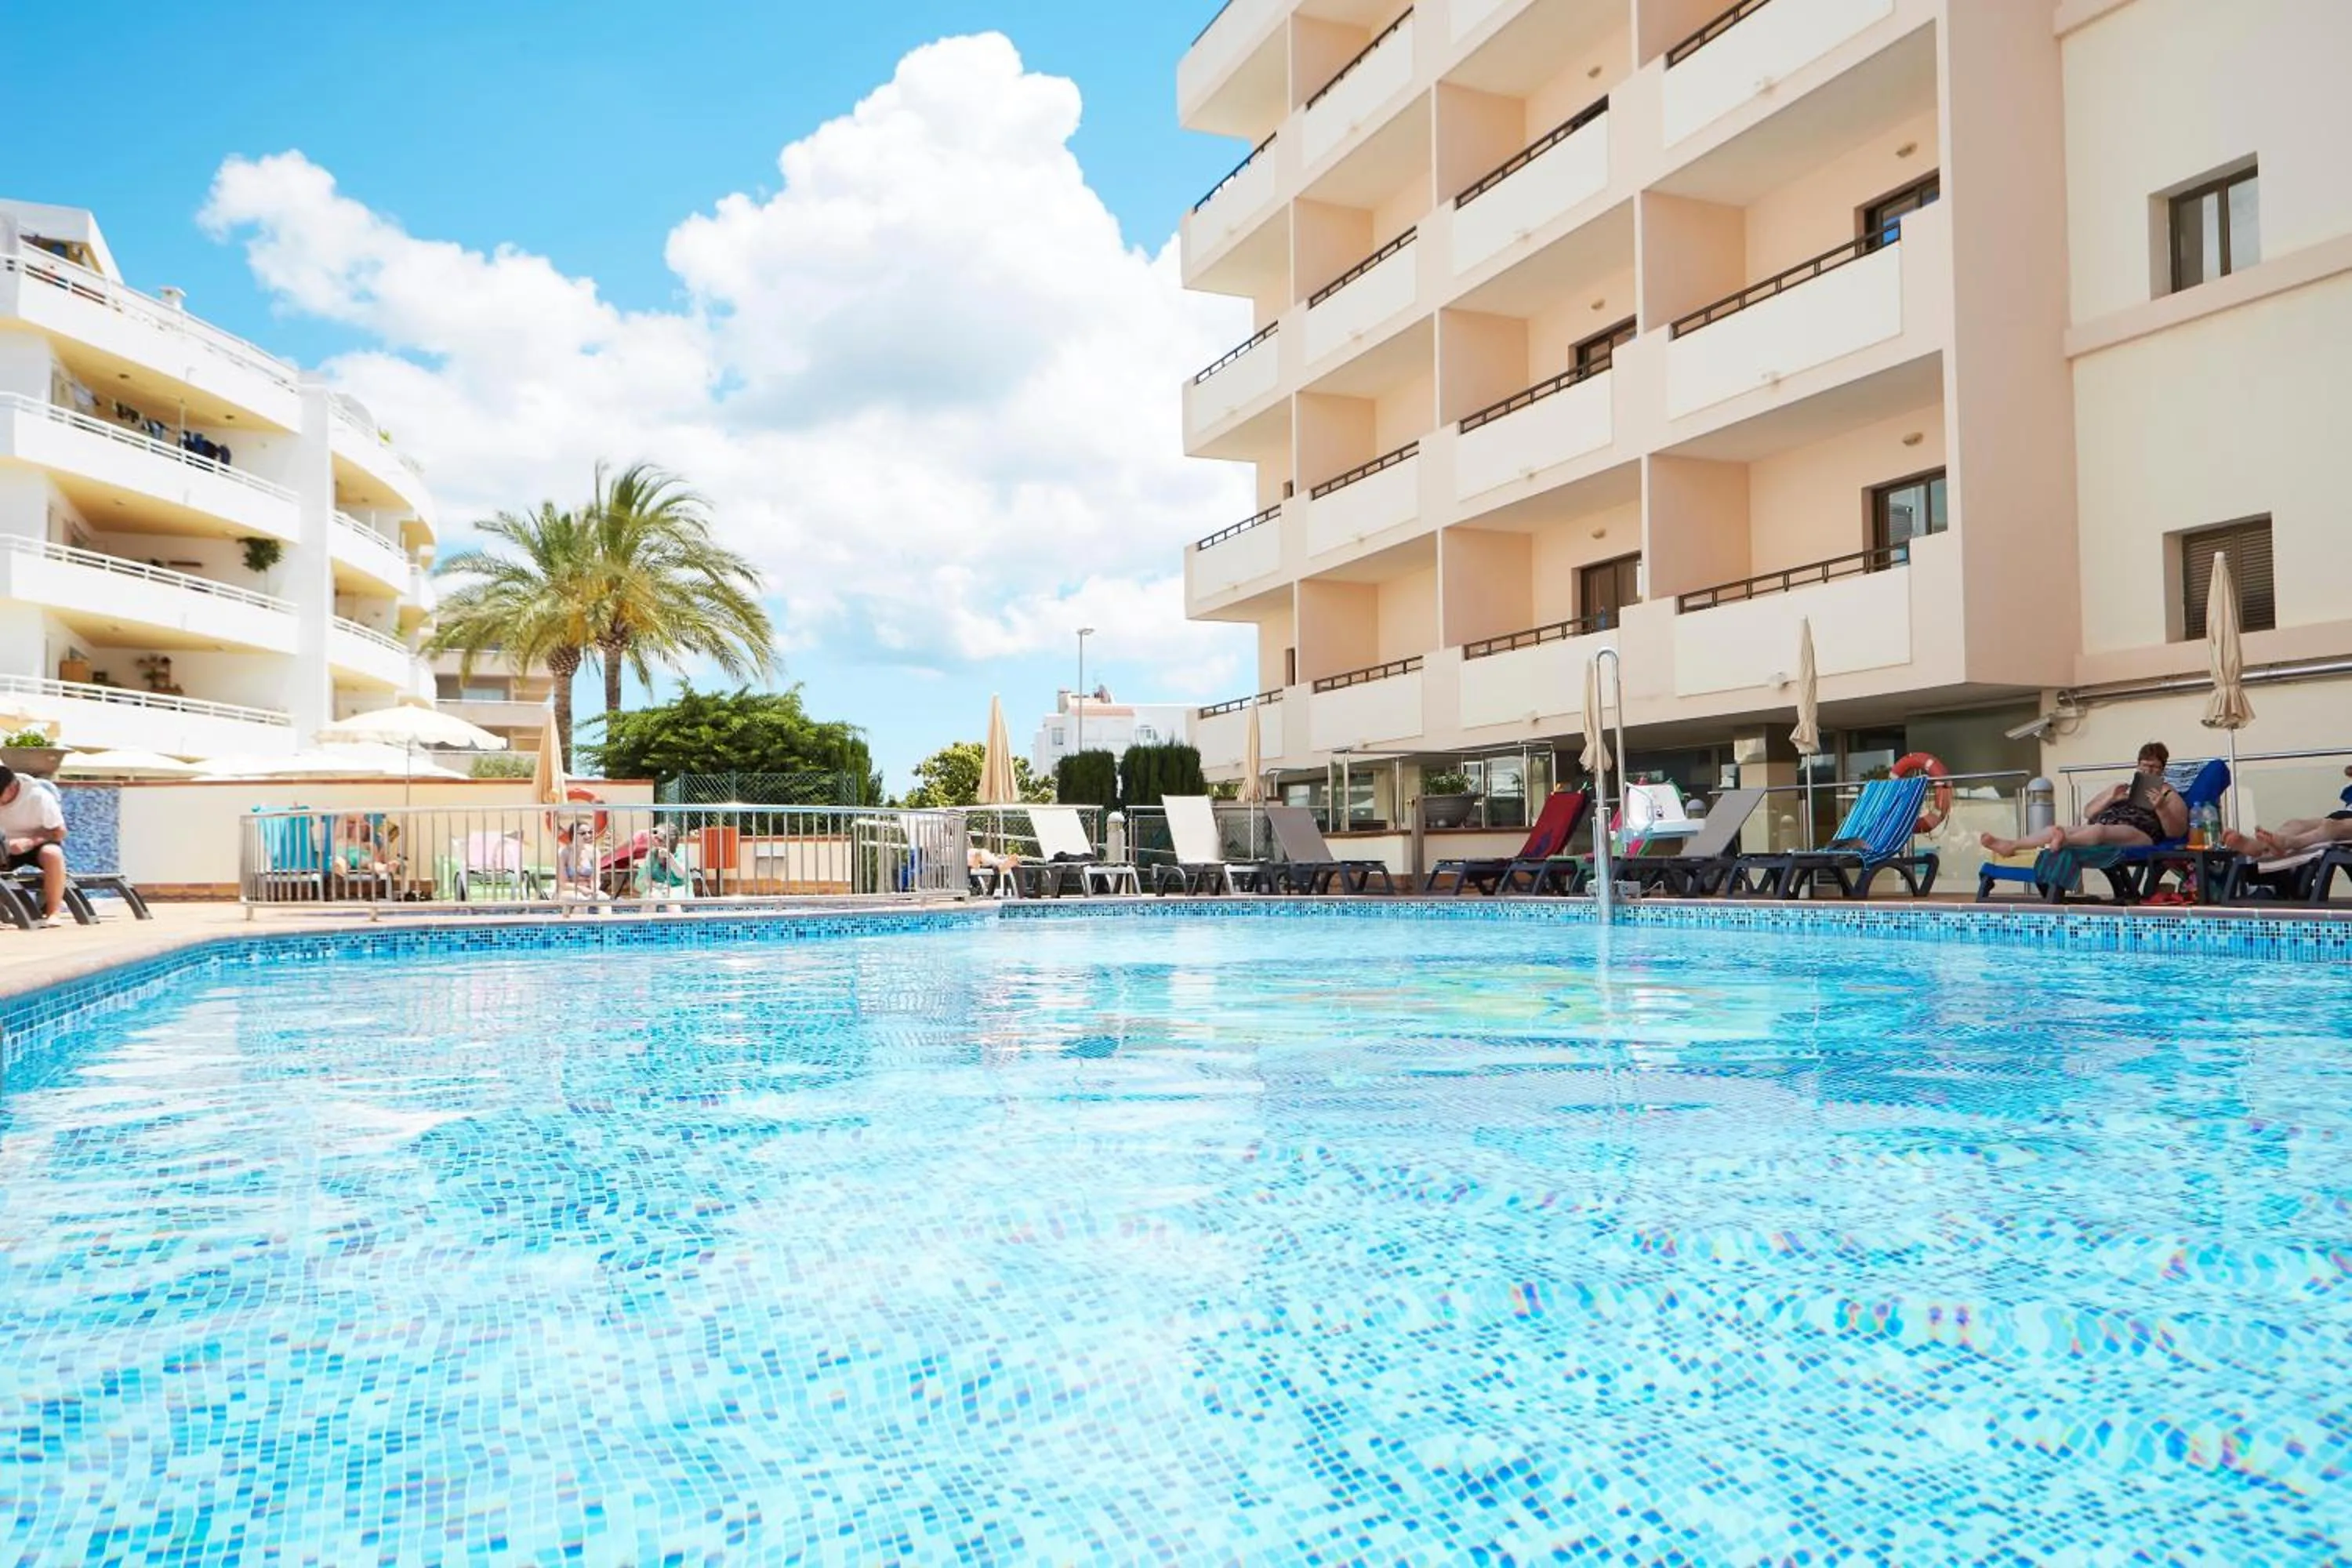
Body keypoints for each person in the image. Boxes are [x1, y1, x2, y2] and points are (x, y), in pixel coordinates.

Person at [1980, 741, 2188, 857]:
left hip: (2140, 833)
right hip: (2106, 824)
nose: (2149, 771)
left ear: (2163, 769)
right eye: (2145, 766)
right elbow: (2088, 812)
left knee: (2097, 831)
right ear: (2138, 765)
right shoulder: (2123, 788)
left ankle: (2064, 840)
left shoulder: (2169, 795)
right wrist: (2110, 798)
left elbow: (2176, 831)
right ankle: (2012, 845)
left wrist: (2161, 808)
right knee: (2060, 828)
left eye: (2154, 767)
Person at [0, 764, 69, 927]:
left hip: (37, 844)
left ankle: (53, 912)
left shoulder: (37, 797)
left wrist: (30, 842)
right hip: (3, 845)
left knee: (52, 854)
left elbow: (59, 832)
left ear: (12, 788)